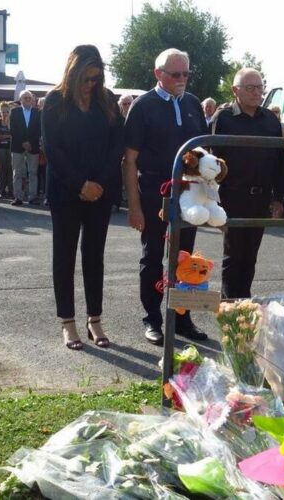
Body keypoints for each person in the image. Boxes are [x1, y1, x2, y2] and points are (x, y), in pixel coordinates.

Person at [123, 48, 209, 346]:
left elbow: (204, 154)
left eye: (186, 73)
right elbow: (129, 160)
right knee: (153, 257)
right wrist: (134, 207)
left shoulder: (194, 104)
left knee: (186, 257)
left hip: (190, 192)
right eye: (176, 74)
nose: (182, 79)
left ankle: (183, 318)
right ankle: (153, 319)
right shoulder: (143, 106)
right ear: (158, 74)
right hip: (154, 193)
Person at [43, 45, 124, 350]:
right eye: (86, 78)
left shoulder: (107, 101)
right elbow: (52, 149)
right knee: (63, 256)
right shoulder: (54, 101)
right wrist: (81, 184)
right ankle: (67, 322)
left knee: (94, 256)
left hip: (100, 192)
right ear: (74, 72)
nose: (91, 84)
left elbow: (118, 144)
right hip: (66, 191)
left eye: (96, 78)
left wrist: (98, 183)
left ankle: (95, 319)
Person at [210, 68, 284, 299]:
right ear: (236, 91)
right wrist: (214, 202)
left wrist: (278, 198)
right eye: (250, 88)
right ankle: (231, 307)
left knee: (250, 255)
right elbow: (211, 162)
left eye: (260, 87)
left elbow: (279, 161)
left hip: (261, 197)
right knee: (233, 256)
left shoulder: (270, 120)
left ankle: (244, 303)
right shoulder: (222, 118)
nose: (257, 92)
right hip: (232, 196)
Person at [9, 90, 41, 205]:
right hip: (18, 146)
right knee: (17, 173)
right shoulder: (14, 111)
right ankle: (18, 197)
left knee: (33, 173)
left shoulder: (38, 112)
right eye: (25, 98)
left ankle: (33, 196)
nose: (27, 100)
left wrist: (30, 142)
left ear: (32, 100)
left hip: (33, 147)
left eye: (29, 98)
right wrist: (23, 142)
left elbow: (39, 130)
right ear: (20, 99)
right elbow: (13, 129)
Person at [0, 102, 13, 199]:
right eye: (3, 112)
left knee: (10, 169)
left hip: (10, 148)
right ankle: (2, 191)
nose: (5, 113)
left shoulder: (13, 122)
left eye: (7, 111)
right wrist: (6, 136)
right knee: (1, 170)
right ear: (0, 112)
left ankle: (11, 190)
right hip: (0, 148)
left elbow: (15, 135)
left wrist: (4, 136)